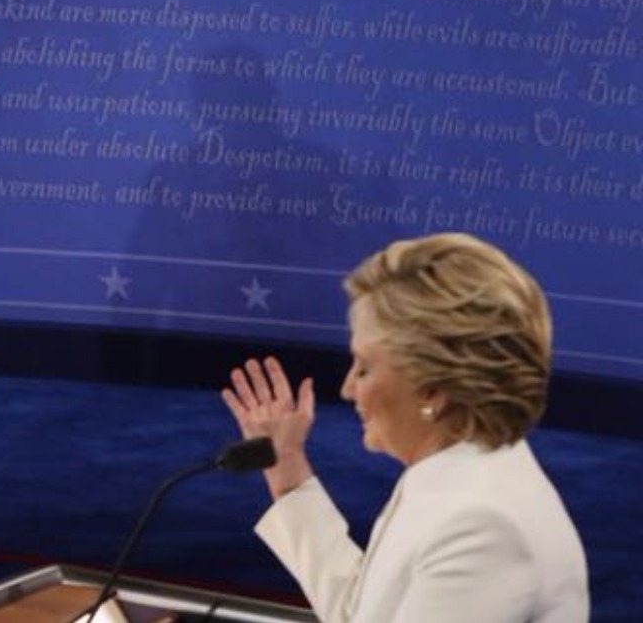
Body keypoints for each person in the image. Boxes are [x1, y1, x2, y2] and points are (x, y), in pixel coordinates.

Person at [221, 233, 588, 622]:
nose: (348, 388)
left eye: (364, 368)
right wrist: (286, 466)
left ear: (432, 390)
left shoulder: (482, 525)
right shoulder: (460, 477)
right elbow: (360, 612)